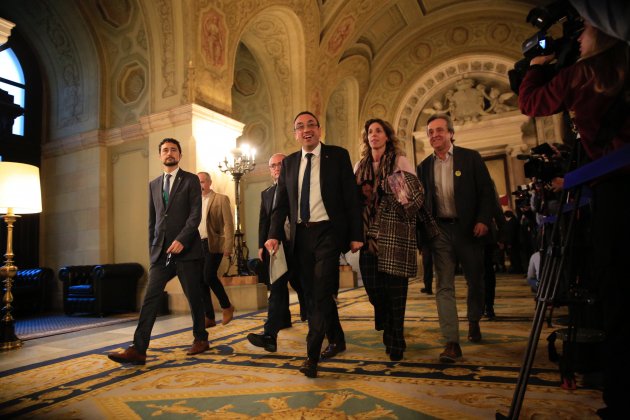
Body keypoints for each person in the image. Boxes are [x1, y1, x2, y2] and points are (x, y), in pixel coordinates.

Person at [518, 19, 629, 418]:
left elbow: (531, 102)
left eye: (583, 31)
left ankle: (621, 399)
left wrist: (537, 65)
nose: (578, 39)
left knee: (618, 293)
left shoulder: (586, 72)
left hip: (616, 196)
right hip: (609, 186)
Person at [264, 111, 363, 378]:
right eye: (300, 126)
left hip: (329, 232)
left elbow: (351, 198)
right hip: (300, 237)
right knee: (311, 293)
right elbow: (281, 204)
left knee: (320, 292)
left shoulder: (338, 155)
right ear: (295, 134)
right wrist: (273, 234)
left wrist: (356, 233)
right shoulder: (290, 163)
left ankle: (311, 356)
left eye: (310, 125)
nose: (306, 130)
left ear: (319, 130)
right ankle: (337, 338)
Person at [108, 138, 209, 365]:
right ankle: (138, 349)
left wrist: (182, 239)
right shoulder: (153, 184)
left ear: (179, 155)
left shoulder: (191, 180)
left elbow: (195, 215)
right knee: (150, 298)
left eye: (173, 149)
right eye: (165, 150)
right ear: (160, 155)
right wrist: (153, 247)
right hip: (161, 253)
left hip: (188, 250)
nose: (169, 153)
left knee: (194, 297)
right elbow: (153, 221)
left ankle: (201, 338)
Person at [417, 113, 498, 363]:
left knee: (475, 279)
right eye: (430, 132)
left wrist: (483, 219)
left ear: (451, 133)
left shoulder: (470, 158)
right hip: (440, 232)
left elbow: (487, 191)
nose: (435, 135)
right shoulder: (424, 167)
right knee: (444, 285)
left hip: (468, 231)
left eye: (439, 130)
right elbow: (422, 203)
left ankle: (474, 319)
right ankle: (451, 341)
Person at [354, 118, 424, 361]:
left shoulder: (398, 161)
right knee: (374, 290)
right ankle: (388, 324)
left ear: (387, 136)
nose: (373, 135)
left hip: (394, 235)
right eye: (370, 131)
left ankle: (396, 339)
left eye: (378, 131)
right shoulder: (360, 165)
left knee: (396, 292)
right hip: (368, 237)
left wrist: (388, 185)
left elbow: (409, 201)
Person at [247, 153, 307, 352]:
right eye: (273, 165)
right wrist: (260, 246)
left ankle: (314, 318)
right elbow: (264, 220)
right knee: (277, 289)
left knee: (304, 285)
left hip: (301, 245)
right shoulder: (266, 193)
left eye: (280, 164)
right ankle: (270, 335)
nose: (277, 168)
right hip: (278, 247)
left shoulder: (299, 187)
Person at [197, 172, 236, 327]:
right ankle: (209, 317)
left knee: (208, 276)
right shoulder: (194, 201)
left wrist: (228, 245)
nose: (200, 185)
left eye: (202, 181)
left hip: (214, 244)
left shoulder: (221, 199)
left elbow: (228, 224)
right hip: (197, 245)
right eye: (197, 182)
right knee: (201, 281)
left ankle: (227, 306)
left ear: (209, 182)